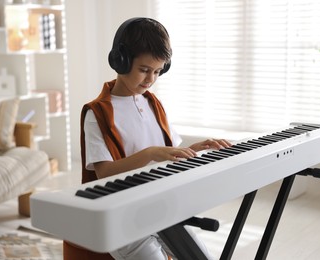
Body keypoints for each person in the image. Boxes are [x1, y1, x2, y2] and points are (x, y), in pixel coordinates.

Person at [63, 17, 231, 260]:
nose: (151, 79)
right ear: (120, 61)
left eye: (158, 71)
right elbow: (104, 173)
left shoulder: (153, 103)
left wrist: (195, 148)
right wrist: (150, 153)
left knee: (200, 256)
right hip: (121, 218)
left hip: (160, 207)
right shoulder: (97, 112)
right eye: (144, 70)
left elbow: (170, 152)